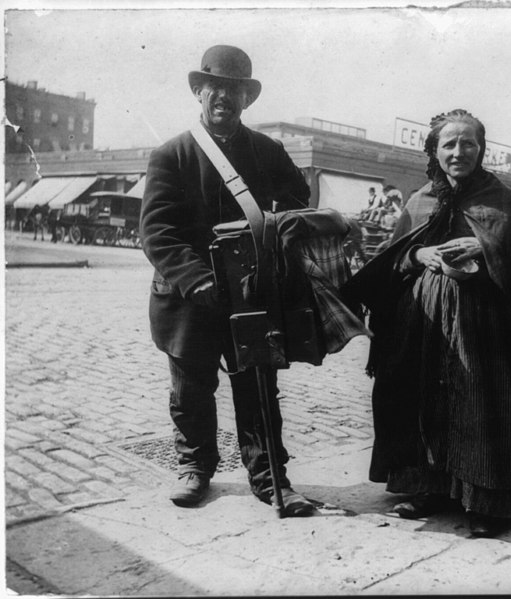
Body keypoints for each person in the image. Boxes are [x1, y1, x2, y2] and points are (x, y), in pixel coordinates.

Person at [342, 110, 511, 538]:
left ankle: (491, 501)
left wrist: (483, 246)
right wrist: (419, 255)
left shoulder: (504, 201)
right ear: (435, 150)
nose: (459, 152)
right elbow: (394, 258)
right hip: (421, 322)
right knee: (424, 398)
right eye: (449, 144)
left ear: (481, 149)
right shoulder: (419, 199)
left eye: (468, 144)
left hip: (483, 327)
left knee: (481, 404)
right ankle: (430, 487)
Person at [140, 45, 316, 515]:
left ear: (247, 99)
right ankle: (195, 469)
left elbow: (298, 202)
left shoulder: (267, 152)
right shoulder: (171, 155)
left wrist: (281, 221)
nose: (224, 97)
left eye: (235, 90)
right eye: (215, 87)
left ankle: (270, 478)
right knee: (191, 389)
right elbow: (157, 233)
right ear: (199, 91)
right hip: (189, 298)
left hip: (251, 294)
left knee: (258, 389)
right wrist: (196, 279)